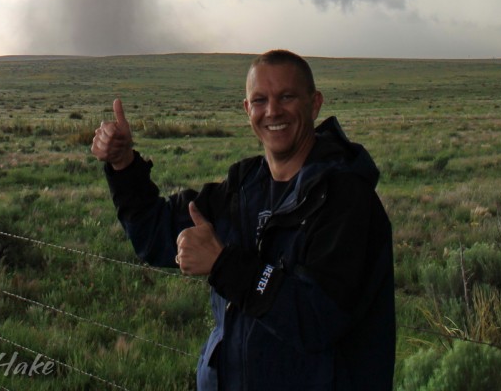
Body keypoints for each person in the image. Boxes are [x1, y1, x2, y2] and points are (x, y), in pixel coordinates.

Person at [91, 49, 395, 390]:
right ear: (247, 109)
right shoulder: (241, 190)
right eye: (260, 100)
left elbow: (317, 319)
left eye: (287, 97)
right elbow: (153, 235)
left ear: (315, 104)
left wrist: (224, 265)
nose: (273, 111)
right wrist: (123, 164)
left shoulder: (344, 199)